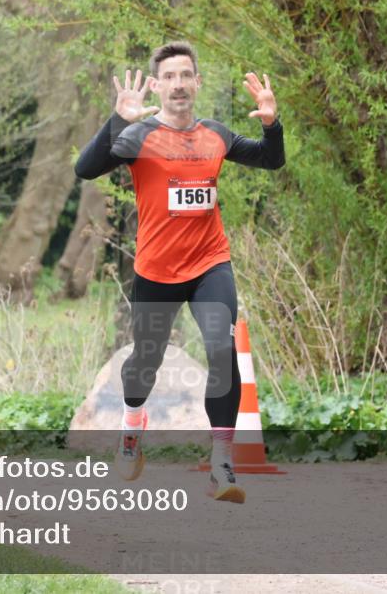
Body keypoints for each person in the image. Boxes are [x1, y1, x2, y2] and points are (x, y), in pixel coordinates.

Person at [74, 41, 284, 503]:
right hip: (156, 270)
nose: (179, 84)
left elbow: (271, 159)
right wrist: (117, 121)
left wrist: (271, 123)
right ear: (157, 85)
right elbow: (85, 169)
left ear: (198, 82)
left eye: (186, 75)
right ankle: (132, 427)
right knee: (143, 365)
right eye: (169, 77)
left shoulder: (216, 135)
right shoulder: (138, 136)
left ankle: (221, 464)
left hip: (211, 263)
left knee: (220, 349)